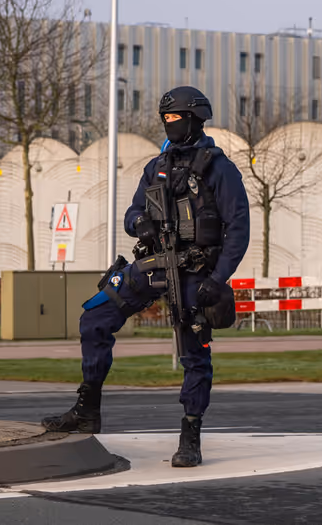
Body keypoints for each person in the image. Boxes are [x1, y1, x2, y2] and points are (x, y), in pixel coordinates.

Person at [41, 86, 250, 468]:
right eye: (165, 119)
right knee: (95, 317)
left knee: (193, 353)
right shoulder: (157, 166)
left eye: (175, 118)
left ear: (195, 118)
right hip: (155, 264)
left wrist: (218, 279)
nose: (169, 124)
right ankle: (87, 409)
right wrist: (141, 223)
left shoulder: (220, 169)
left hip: (196, 273)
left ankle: (190, 434)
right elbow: (132, 212)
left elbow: (238, 230)